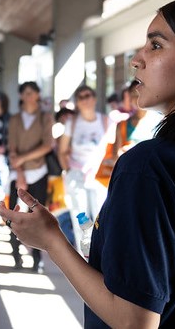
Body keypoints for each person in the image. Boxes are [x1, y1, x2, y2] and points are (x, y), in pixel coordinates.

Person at [0, 0, 175, 327]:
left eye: (156, 45)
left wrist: (52, 241)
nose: (136, 60)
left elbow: (135, 321)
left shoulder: (150, 166)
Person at [57, 85, 115, 253]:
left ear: (94, 98)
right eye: (81, 97)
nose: (85, 100)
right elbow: (62, 150)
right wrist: (67, 171)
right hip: (76, 175)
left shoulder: (106, 121)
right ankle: (85, 257)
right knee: (81, 219)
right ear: (77, 102)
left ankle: (102, 257)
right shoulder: (72, 123)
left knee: (101, 217)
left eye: (88, 95)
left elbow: (111, 151)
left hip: (99, 177)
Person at [6, 81, 53, 273]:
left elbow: (47, 145)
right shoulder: (15, 119)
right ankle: (16, 256)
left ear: (38, 95)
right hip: (17, 174)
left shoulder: (45, 118)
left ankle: (37, 258)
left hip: (39, 172)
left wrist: (23, 159)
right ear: (21, 96)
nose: (29, 96)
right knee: (13, 215)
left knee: (38, 217)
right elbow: (12, 148)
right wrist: (19, 173)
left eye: (33, 92)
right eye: (25, 93)